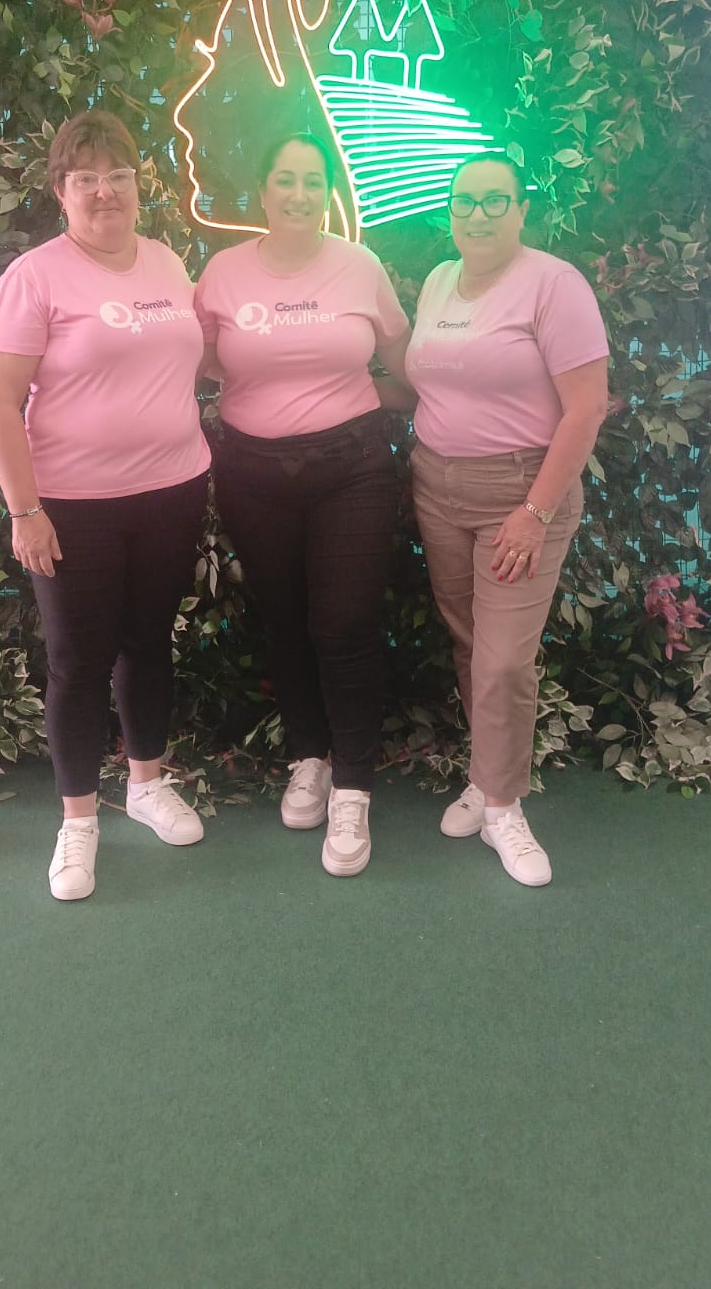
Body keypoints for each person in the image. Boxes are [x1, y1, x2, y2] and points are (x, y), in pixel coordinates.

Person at [0, 111, 211, 902]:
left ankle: (146, 783)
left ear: (139, 185)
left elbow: (185, 363)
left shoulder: (166, 261)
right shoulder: (34, 278)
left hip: (173, 490)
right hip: (71, 506)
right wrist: (24, 509)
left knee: (149, 643)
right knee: (77, 664)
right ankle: (78, 821)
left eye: (119, 176)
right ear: (61, 190)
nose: (105, 191)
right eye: (87, 178)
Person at [195, 132, 410, 877]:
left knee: (344, 624)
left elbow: (408, 364)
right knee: (284, 622)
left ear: (328, 192)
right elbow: (191, 361)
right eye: (285, 179)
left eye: (313, 181)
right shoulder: (223, 273)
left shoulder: (360, 266)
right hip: (252, 473)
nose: (299, 193)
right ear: (262, 192)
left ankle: (352, 787)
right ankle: (308, 759)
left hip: (353, 470)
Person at [405, 151, 609, 886]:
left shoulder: (554, 284)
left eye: (496, 200)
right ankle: (483, 777)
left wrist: (534, 512)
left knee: (503, 660)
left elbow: (586, 408)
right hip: (436, 486)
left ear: (522, 209)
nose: (479, 214)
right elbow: (428, 381)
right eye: (464, 201)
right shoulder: (439, 279)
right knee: (469, 643)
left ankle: (503, 806)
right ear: (449, 212)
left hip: (522, 495)